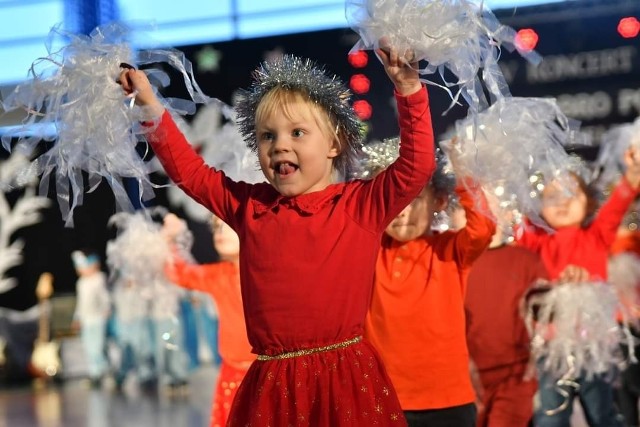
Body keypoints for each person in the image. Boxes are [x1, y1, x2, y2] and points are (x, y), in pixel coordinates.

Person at [118, 46, 434, 425]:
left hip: (345, 379)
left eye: (298, 132)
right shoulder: (250, 208)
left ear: (334, 144)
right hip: (274, 384)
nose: (280, 144)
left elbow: (416, 166)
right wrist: (149, 105)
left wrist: (410, 89)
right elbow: (191, 173)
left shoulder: (360, 205)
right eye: (268, 136)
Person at [361, 141, 495, 427]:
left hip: (448, 402)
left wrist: (464, 171)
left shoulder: (450, 250)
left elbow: (483, 227)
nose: (402, 212)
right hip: (381, 397)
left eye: (414, 199)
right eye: (391, 199)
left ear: (439, 201)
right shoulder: (367, 251)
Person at [515, 147, 640, 427]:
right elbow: (512, 220)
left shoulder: (596, 236)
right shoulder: (537, 243)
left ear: (588, 200)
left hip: (594, 346)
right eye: (551, 196)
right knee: (551, 415)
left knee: (602, 413)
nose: (562, 202)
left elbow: (617, 206)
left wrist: (633, 175)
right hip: (552, 347)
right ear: (538, 208)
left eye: (571, 193)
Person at [163, 213, 255, 427]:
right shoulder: (219, 275)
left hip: (269, 373)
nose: (219, 232)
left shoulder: (273, 274)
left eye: (227, 225)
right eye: (216, 227)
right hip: (232, 374)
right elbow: (180, 274)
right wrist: (171, 240)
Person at [465, 223, 548, 427]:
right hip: (464, 377)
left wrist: (567, 292)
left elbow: (546, 307)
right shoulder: (453, 259)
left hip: (514, 375)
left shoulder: (525, 260)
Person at [71, 249, 111, 388]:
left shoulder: (99, 278)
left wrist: (107, 309)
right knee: (89, 346)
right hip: (86, 319)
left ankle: (103, 371)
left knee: (98, 345)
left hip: (98, 318)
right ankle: (95, 373)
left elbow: (104, 296)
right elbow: (80, 303)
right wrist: (77, 318)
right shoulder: (81, 283)